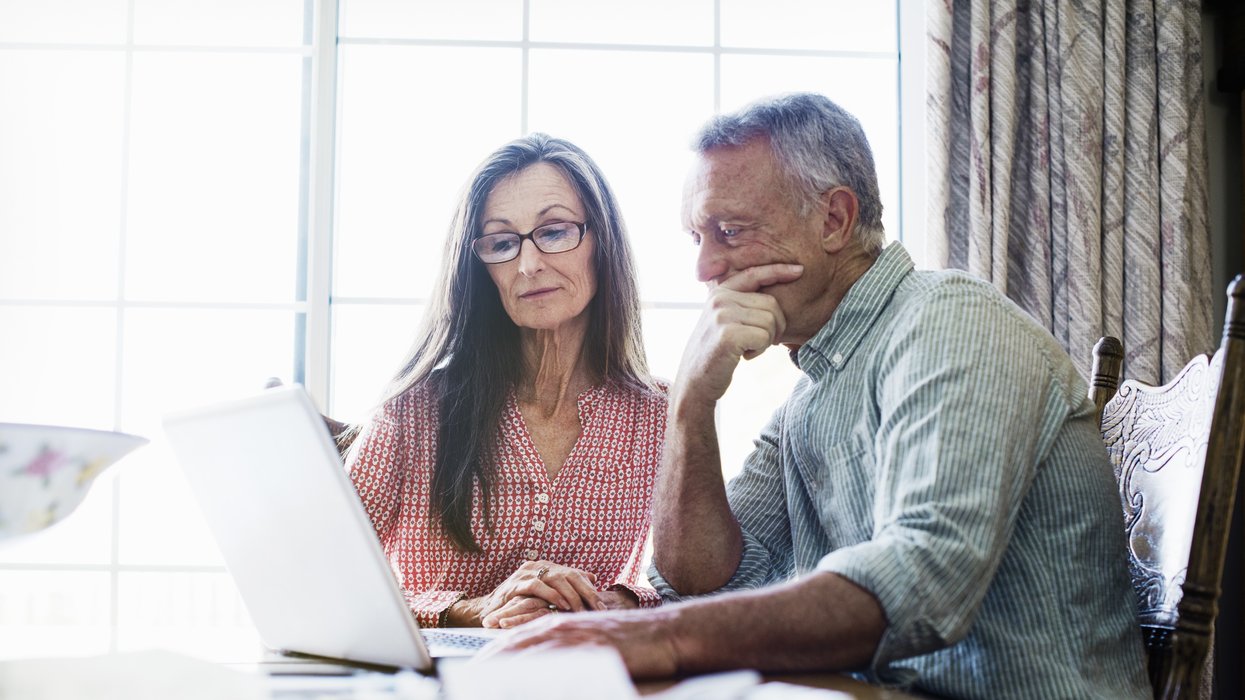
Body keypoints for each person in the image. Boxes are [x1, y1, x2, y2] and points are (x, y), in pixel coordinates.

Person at [486, 94, 1151, 698]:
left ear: (834, 218)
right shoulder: (811, 394)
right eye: (697, 237)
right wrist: (690, 403)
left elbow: (919, 581)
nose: (705, 268)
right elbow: (698, 579)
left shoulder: (947, 318)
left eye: (730, 231)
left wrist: (648, 637)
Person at [344, 133, 666, 630]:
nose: (528, 264)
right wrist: (467, 610)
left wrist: (623, 600)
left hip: (587, 666)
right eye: (501, 243)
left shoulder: (660, 415)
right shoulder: (412, 411)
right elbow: (329, 581)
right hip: (445, 669)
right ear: (481, 268)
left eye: (554, 231)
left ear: (602, 242)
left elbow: (695, 583)